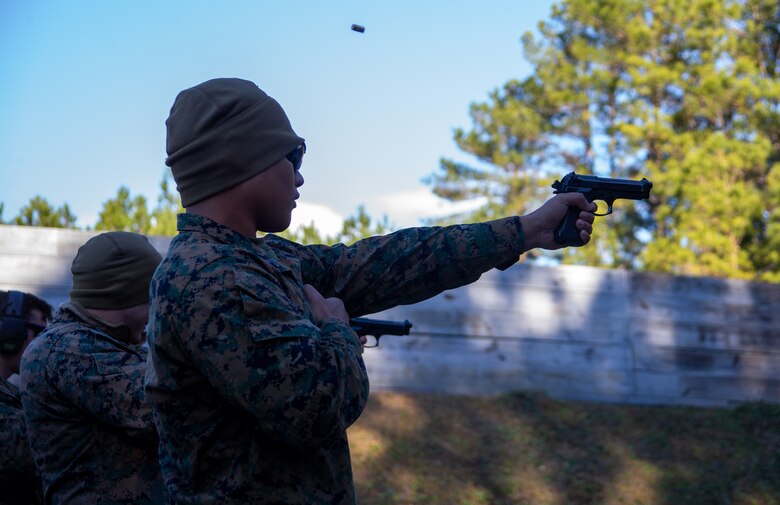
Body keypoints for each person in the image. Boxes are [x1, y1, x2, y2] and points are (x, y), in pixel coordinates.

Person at [145, 77, 597, 504]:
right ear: (244, 160)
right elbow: (315, 407)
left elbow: (387, 262)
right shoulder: (214, 279)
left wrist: (525, 231)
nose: (300, 178)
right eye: (293, 157)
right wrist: (337, 332)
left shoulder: (257, 261)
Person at [20, 232, 168, 505]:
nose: (159, 308)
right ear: (127, 295)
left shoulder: (102, 342)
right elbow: (168, 407)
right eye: (155, 296)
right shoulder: (67, 349)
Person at [0, 290, 52, 505]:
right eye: (38, 333)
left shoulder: (12, 396)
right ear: (9, 333)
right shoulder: (8, 414)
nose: (43, 344)